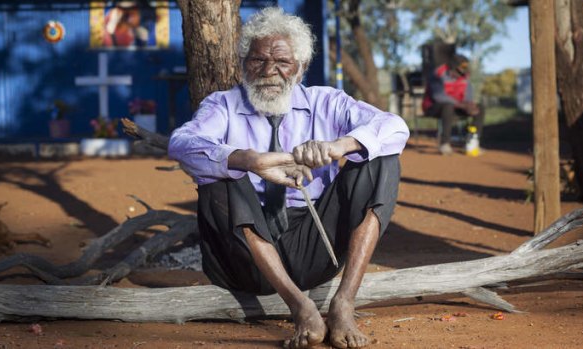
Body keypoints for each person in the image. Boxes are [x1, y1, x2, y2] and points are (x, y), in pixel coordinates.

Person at [168, 7, 409, 349]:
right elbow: (181, 143)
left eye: (282, 61)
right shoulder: (221, 105)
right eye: (257, 60)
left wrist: (340, 145)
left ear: (300, 68)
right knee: (222, 169)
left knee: (378, 158)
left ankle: (343, 303)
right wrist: (249, 160)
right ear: (242, 64)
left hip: (313, 250)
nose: (269, 71)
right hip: (243, 260)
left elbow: (395, 126)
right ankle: (300, 306)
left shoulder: (326, 102)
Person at [422, 54, 484, 155]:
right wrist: (462, 105)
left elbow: (468, 96)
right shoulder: (438, 74)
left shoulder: (465, 77)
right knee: (448, 106)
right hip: (433, 107)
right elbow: (438, 96)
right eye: (459, 70)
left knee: (479, 107)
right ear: (452, 67)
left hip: (456, 107)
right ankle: (445, 144)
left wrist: (470, 105)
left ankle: (473, 142)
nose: (462, 73)